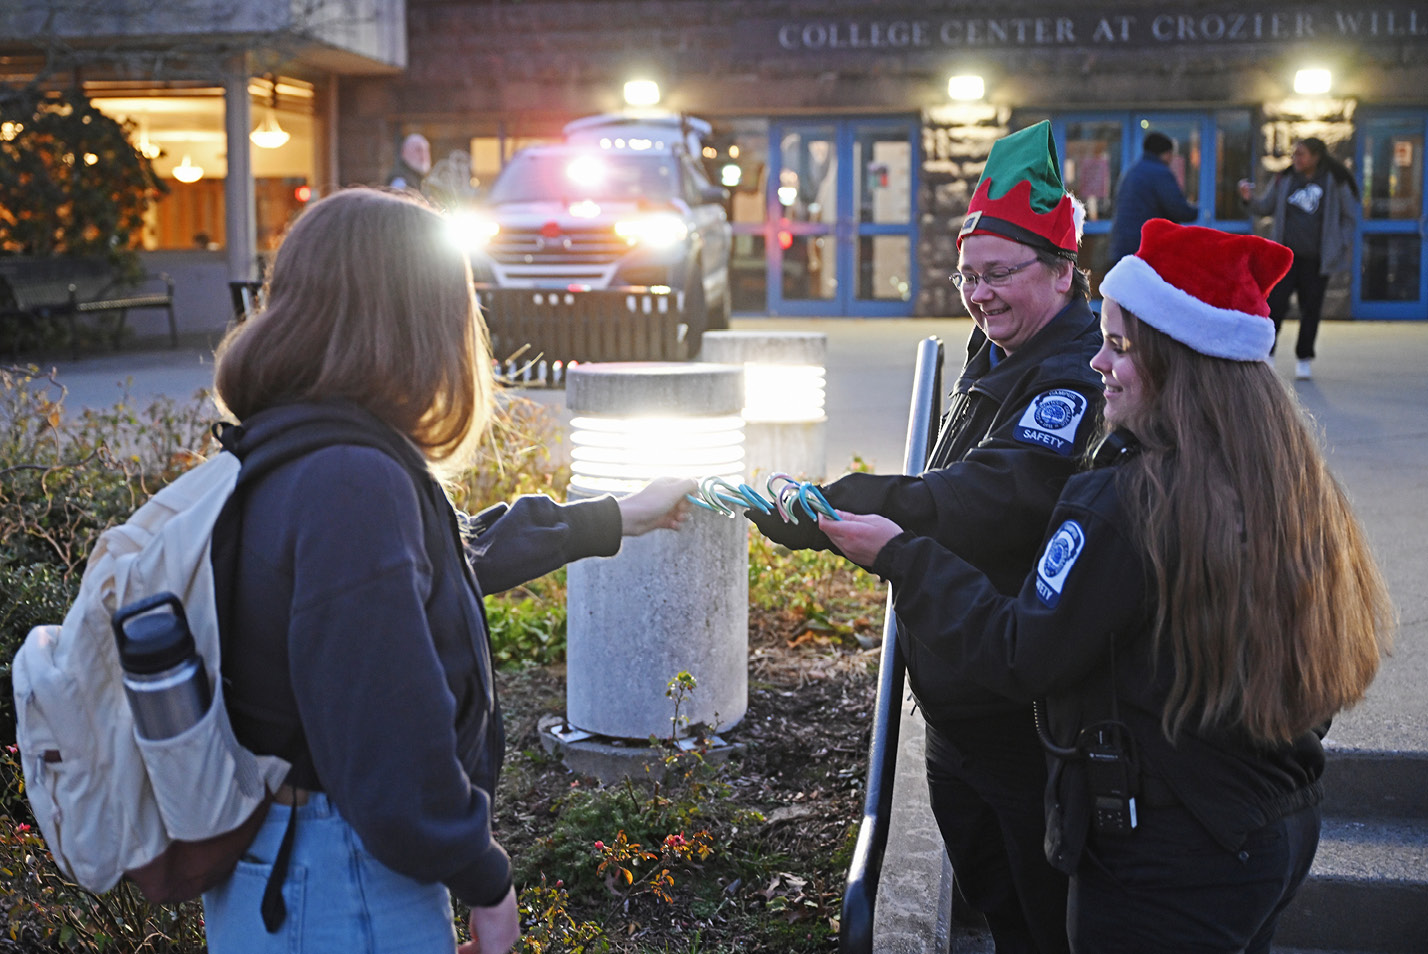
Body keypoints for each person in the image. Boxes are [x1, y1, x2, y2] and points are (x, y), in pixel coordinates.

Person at [823, 219, 1394, 953]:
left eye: (1120, 346)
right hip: (1274, 827)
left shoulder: (1125, 502)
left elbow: (1022, 652)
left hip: (1165, 861)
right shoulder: (1287, 481)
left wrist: (903, 554)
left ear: (1181, 362)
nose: (1096, 362)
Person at [201, 187, 696, 954]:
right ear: (414, 317)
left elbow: (443, 561)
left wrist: (617, 514)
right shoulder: (350, 481)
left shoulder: (292, 447)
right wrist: (485, 880)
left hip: (292, 868)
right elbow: (393, 740)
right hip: (341, 878)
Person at [752, 121, 1103, 954]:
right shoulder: (1000, 345)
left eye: (999, 275)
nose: (978, 295)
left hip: (1021, 717)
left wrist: (843, 506)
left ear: (1061, 272)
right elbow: (952, 481)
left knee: (1044, 922)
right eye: (966, 276)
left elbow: (1000, 493)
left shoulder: (1075, 367)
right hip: (957, 706)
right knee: (994, 894)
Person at [1238, 137, 1360, 380]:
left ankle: (1304, 359)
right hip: (1286, 258)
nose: (1296, 159)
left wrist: (1341, 243)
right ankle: (1268, 355)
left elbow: (1350, 216)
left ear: (1316, 157)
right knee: (1276, 306)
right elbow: (1265, 207)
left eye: (1301, 154)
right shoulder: (1285, 179)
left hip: (1316, 258)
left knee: (1310, 309)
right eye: (1295, 154)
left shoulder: (1333, 181)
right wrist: (1248, 199)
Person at [1107, 131, 1198, 264]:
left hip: (1122, 248)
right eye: (1171, 154)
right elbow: (1179, 209)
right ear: (1166, 153)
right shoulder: (1160, 173)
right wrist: (1197, 210)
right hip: (1144, 248)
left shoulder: (1132, 171)